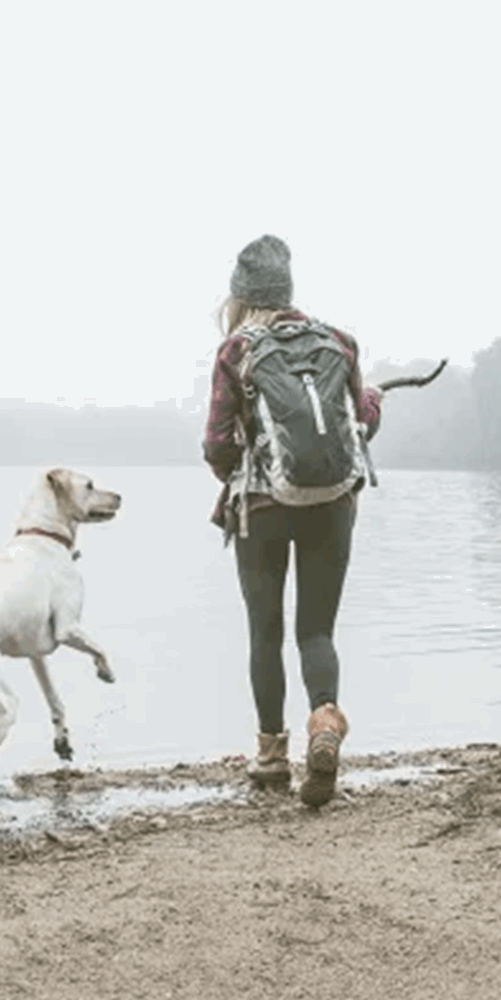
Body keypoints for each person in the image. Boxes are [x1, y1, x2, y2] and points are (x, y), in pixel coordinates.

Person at [202, 234, 383, 808]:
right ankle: (324, 722)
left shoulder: (237, 350)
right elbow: (362, 423)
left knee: (266, 631)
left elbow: (215, 445)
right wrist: (373, 400)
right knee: (317, 631)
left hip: (262, 507)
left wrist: (237, 473)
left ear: (241, 298)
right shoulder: (339, 341)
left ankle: (272, 758)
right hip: (333, 503)